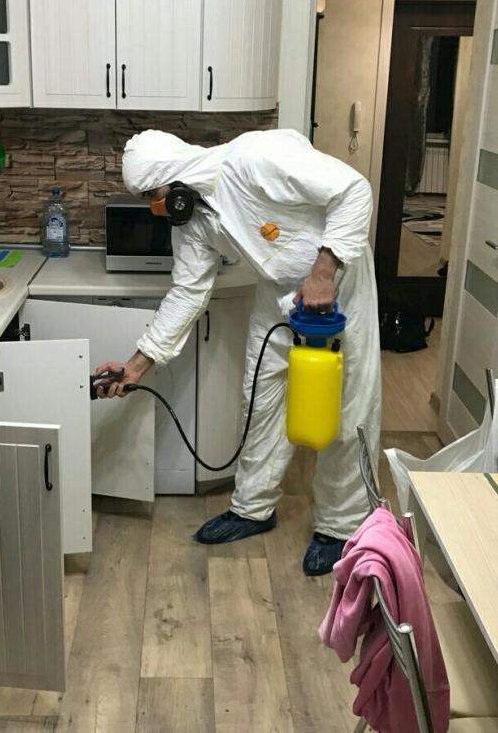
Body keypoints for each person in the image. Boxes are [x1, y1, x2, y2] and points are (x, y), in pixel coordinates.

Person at [95, 129, 381, 576]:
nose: (155, 207)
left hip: (339, 280)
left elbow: (354, 191)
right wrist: (136, 366)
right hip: (278, 290)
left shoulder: (256, 159)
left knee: (348, 406)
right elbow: (187, 293)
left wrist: (324, 274)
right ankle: (252, 508)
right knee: (260, 399)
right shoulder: (192, 222)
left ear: (176, 176)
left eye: (154, 194)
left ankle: (341, 527)